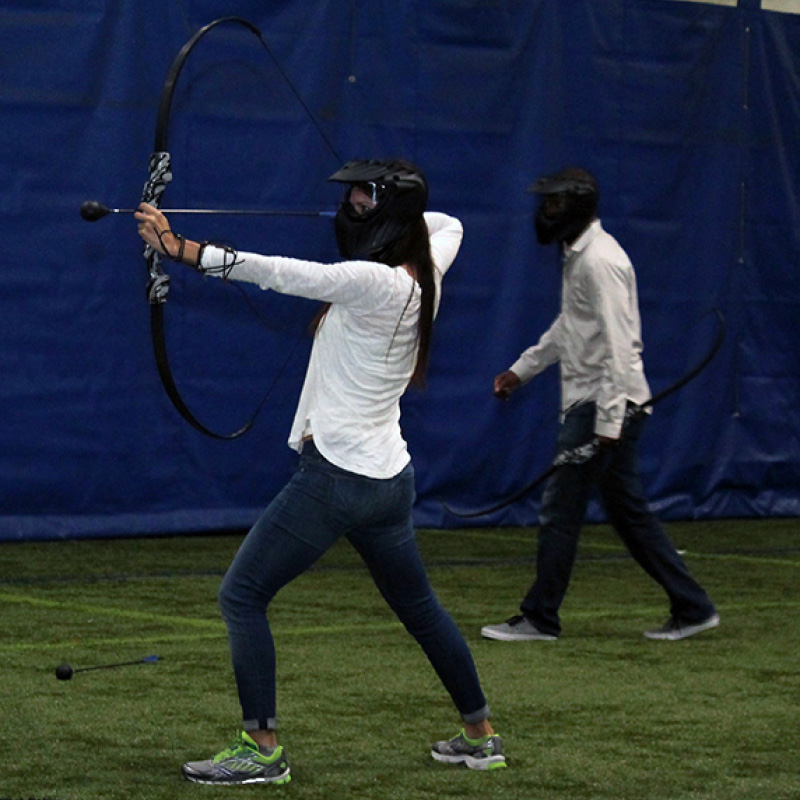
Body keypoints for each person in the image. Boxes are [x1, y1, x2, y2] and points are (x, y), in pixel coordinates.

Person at [135, 158, 506, 783]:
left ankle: (263, 751)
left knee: (242, 595)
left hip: (337, 480)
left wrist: (181, 249)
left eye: (362, 199)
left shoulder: (374, 281)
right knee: (419, 608)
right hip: (389, 481)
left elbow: (280, 274)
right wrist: (396, 213)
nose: (349, 207)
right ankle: (482, 736)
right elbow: (451, 222)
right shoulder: (426, 267)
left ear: (389, 217)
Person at [481, 166, 719, 644]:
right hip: (601, 406)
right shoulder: (578, 256)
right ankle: (693, 606)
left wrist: (609, 421)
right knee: (628, 514)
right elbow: (570, 329)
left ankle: (540, 618)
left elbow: (620, 347)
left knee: (561, 509)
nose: (544, 213)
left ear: (576, 207)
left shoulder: (600, 262)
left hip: (604, 407)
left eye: (552, 204)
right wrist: (521, 370)